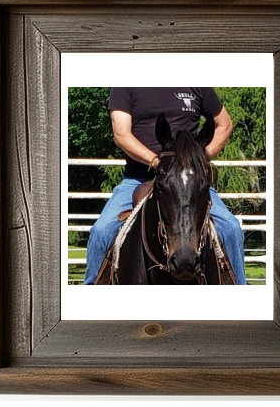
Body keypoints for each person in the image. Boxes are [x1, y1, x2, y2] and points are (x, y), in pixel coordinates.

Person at [84, 87, 246, 285]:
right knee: (102, 231)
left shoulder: (196, 83)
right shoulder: (126, 85)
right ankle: (90, 301)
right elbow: (121, 134)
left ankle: (240, 300)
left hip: (189, 182)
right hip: (138, 178)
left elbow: (225, 124)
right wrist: (156, 162)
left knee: (231, 229)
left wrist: (197, 161)